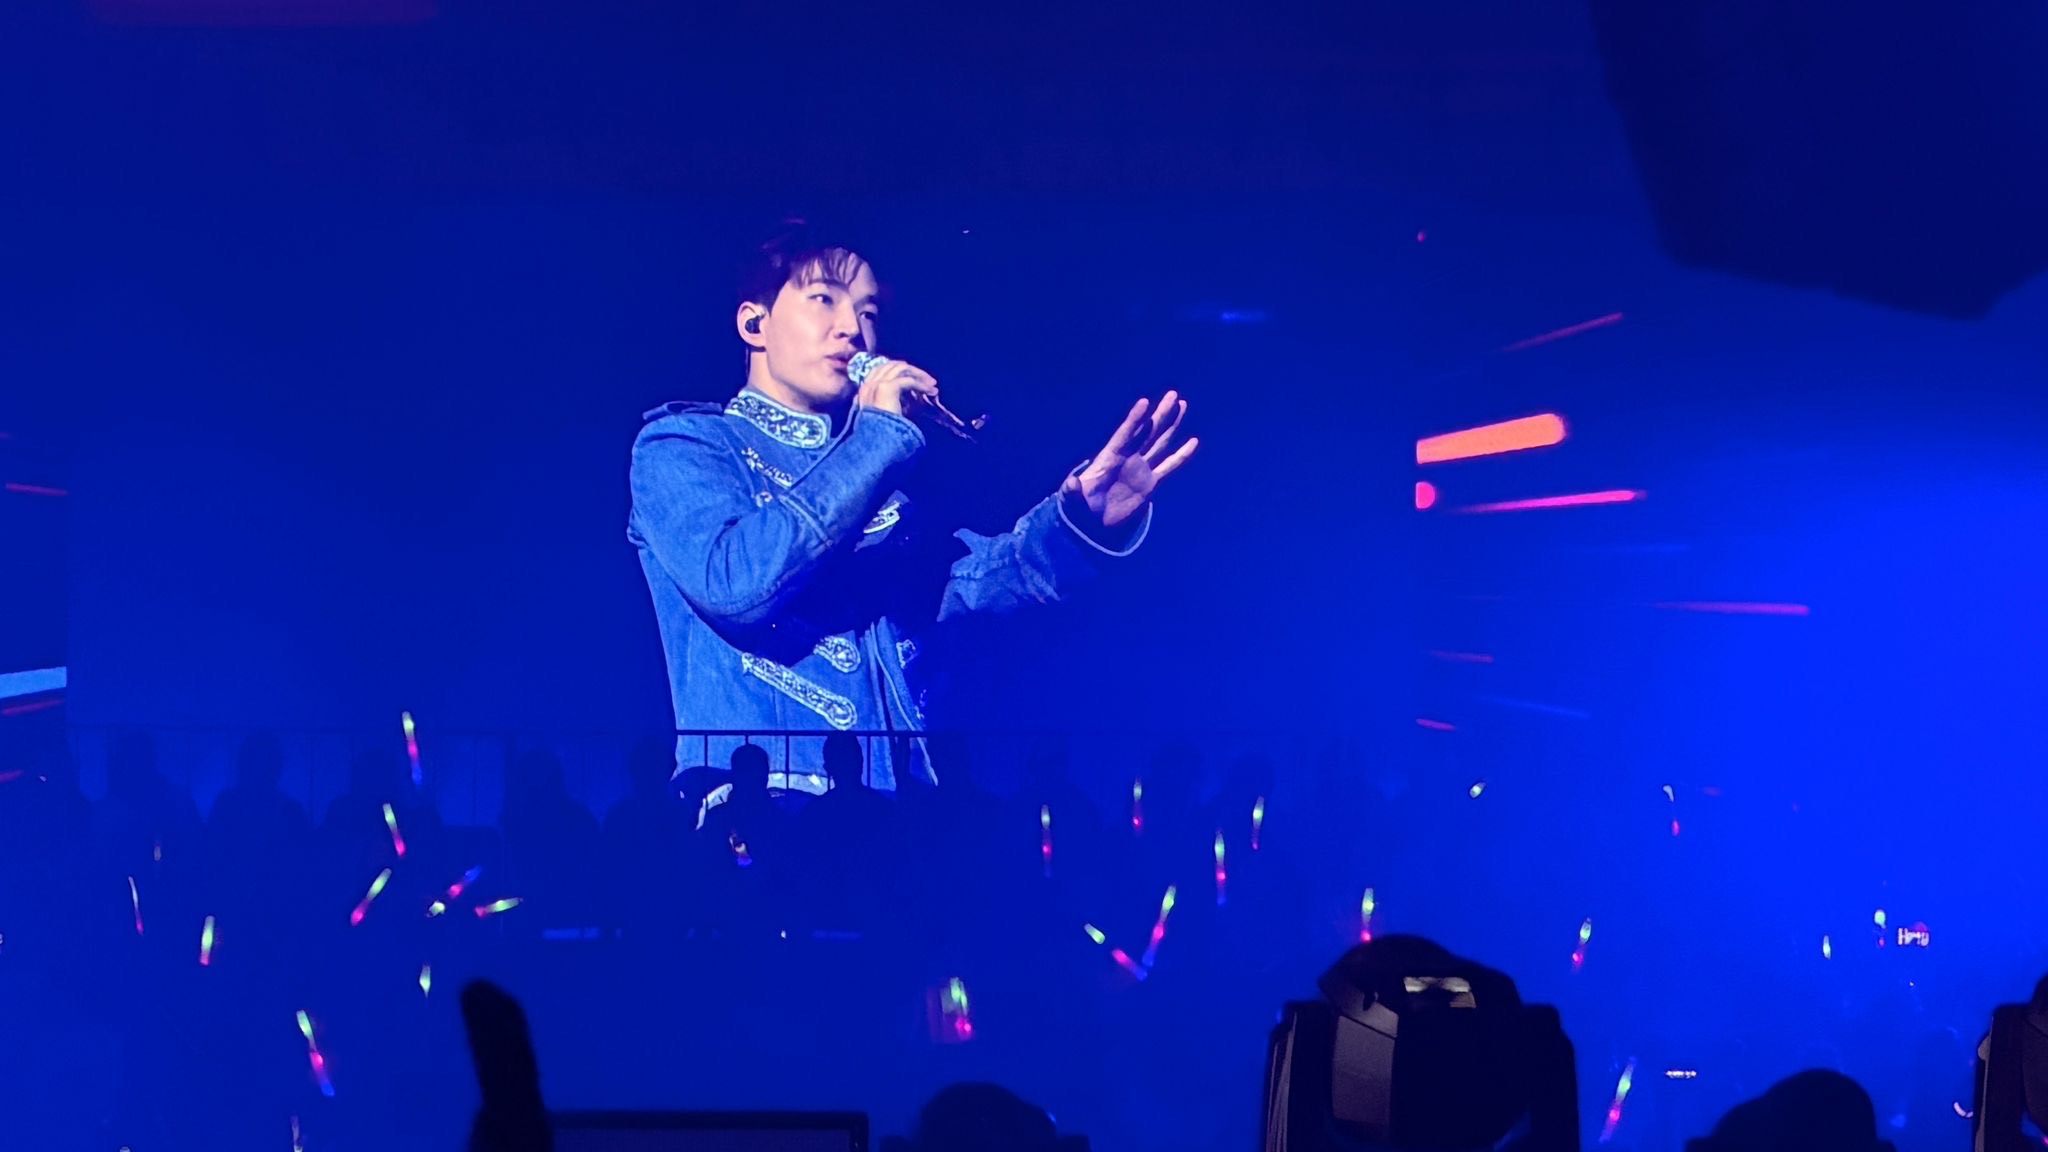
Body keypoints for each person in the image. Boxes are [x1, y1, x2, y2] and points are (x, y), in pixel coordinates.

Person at [629, 219, 1197, 789]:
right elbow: (737, 585)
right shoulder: (686, 446)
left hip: (895, 814)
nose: (852, 328)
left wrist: (1076, 522)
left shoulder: (879, 477)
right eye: (824, 300)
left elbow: (965, 588)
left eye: (869, 313)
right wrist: (874, 439)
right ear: (755, 322)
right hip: (766, 809)